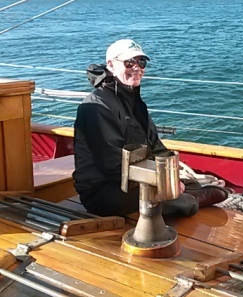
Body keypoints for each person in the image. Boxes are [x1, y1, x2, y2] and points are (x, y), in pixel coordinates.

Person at [72, 39, 228, 217]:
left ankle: (190, 194)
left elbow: (155, 145)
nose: (137, 67)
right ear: (111, 65)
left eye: (141, 62)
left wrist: (171, 175)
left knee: (189, 184)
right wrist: (161, 183)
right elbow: (112, 165)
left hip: (133, 179)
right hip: (104, 190)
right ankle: (193, 200)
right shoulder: (95, 108)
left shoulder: (134, 102)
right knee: (173, 199)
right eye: (129, 62)